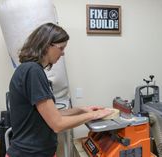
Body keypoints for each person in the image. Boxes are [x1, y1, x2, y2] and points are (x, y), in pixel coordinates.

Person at [6, 23, 113, 157]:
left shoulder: (30, 69)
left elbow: (52, 115)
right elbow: (57, 124)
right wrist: (93, 115)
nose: (63, 53)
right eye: (61, 48)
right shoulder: (33, 71)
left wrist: (82, 109)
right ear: (46, 45)